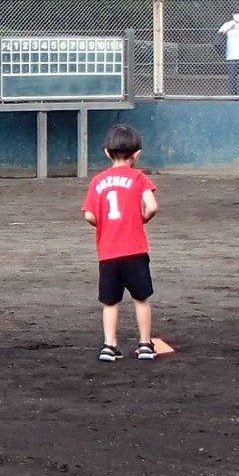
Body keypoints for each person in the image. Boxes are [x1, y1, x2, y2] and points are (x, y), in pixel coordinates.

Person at [82, 122, 160, 362]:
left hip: (108, 252)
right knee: (141, 298)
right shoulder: (138, 177)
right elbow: (153, 206)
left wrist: (104, 226)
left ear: (107, 152)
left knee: (110, 302)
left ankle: (109, 345)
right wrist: (141, 219)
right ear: (137, 154)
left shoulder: (98, 181)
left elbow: (89, 214)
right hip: (135, 249)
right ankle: (145, 344)